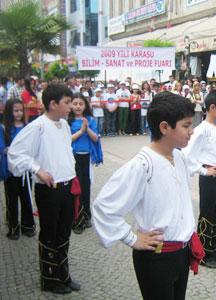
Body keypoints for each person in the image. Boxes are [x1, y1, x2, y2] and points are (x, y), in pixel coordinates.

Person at [93, 92, 204, 300]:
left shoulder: (179, 157)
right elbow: (104, 207)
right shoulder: (142, 165)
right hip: (157, 258)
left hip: (182, 252)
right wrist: (131, 237)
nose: (192, 131)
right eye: (186, 125)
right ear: (164, 127)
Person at [7, 84, 80, 294]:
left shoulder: (65, 126)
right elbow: (16, 153)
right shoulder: (37, 127)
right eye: (66, 103)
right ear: (53, 104)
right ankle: (49, 279)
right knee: (49, 233)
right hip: (49, 189)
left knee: (64, 233)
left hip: (67, 186)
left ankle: (64, 275)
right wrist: (37, 169)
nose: (71, 107)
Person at [182, 89, 216, 269]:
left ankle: (212, 249)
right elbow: (186, 155)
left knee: (215, 213)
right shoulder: (201, 130)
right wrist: (203, 171)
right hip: (211, 176)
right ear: (212, 108)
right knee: (207, 214)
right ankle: (202, 253)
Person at [0, 99, 35, 240]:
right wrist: (11, 150)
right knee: (12, 200)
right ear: (9, 112)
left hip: (26, 170)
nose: (19, 113)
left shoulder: (27, 127)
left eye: (21, 110)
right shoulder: (3, 128)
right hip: (11, 170)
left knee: (26, 198)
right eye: (16, 110)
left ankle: (28, 226)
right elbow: (2, 148)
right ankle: (13, 227)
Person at [68, 93, 99, 234]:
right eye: (75, 104)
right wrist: (81, 131)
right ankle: (75, 217)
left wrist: (87, 128)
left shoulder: (90, 120)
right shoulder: (67, 121)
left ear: (85, 105)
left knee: (86, 188)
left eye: (81, 104)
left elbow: (95, 139)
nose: (78, 106)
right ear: (70, 105)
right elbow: (68, 140)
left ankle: (86, 216)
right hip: (72, 158)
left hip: (87, 158)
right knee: (75, 188)